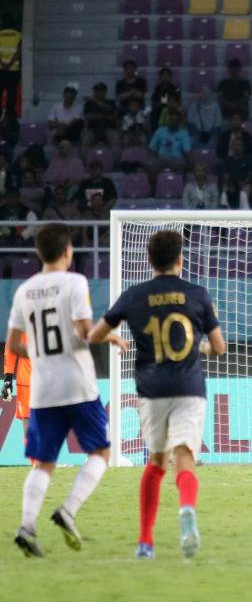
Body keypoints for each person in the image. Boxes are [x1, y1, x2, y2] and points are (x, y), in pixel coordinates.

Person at [88, 229, 226, 559]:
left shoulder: (134, 295)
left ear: (149, 260)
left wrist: (112, 338)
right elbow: (220, 347)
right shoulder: (198, 294)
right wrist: (200, 347)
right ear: (180, 259)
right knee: (185, 461)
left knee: (156, 463)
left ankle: (146, 541)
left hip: (152, 391)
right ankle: (187, 509)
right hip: (190, 390)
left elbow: (95, 334)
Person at [9, 224, 126, 557]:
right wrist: (112, 333)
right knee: (100, 453)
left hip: (43, 390)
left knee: (42, 463)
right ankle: (68, 510)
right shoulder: (75, 282)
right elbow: (85, 332)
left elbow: (16, 344)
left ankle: (27, 527)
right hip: (77, 384)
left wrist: (41, 356)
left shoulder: (23, 291)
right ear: (67, 252)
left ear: (38, 254)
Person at [1, 333, 31, 454]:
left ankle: (40, 465)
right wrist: (8, 378)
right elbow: (11, 347)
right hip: (29, 380)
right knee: (30, 426)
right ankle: (37, 467)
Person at [147, 109, 192, 177]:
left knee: (182, 166)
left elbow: (187, 151)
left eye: (175, 120)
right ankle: (154, 187)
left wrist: (190, 163)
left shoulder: (184, 133)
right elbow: (151, 149)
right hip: (161, 158)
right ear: (168, 120)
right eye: (171, 119)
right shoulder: (159, 131)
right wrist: (156, 158)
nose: (173, 122)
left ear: (179, 122)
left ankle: (178, 185)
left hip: (176, 159)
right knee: (151, 165)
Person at [82, 83, 121, 150]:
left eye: (98, 91)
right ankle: (84, 160)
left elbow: (111, 113)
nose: (96, 93)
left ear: (104, 92)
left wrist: (94, 101)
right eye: (95, 91)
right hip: (93, 129)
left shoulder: (111, 102)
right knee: (85, 141)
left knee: (115, 140)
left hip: (108, 128)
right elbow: (88, 117)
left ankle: (116, 160)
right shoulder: (88, 104)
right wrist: (104, 116)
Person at [0, 15, 20, 116]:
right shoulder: (18, 35)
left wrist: (3, 63)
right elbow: (18, 52)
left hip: (1, 69)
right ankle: (9, 115)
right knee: (11, 94)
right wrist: (10, 64)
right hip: (13, 70)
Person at [149, 67, 180, 132]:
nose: (165, 77)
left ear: (170, 77)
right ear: (160, 77)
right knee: (153, 112)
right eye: (163, 75)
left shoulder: (176, 88)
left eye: (167, 75)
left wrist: (164, 102)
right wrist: (160, 102)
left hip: (171, 110)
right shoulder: (157, 88)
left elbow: (177, 101)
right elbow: (155, 100)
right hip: (158, 111)